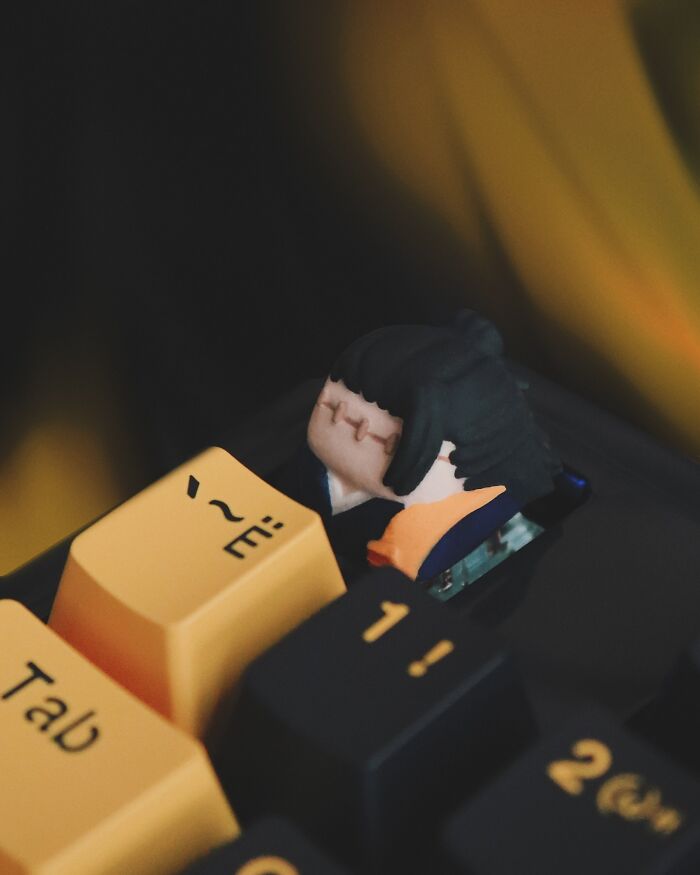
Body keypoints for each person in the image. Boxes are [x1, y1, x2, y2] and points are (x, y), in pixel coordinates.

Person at [280, 311, 561, 581]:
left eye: (391, 443)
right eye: (334, 408)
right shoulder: (305, 467)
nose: (359, 429)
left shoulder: (434, 530)